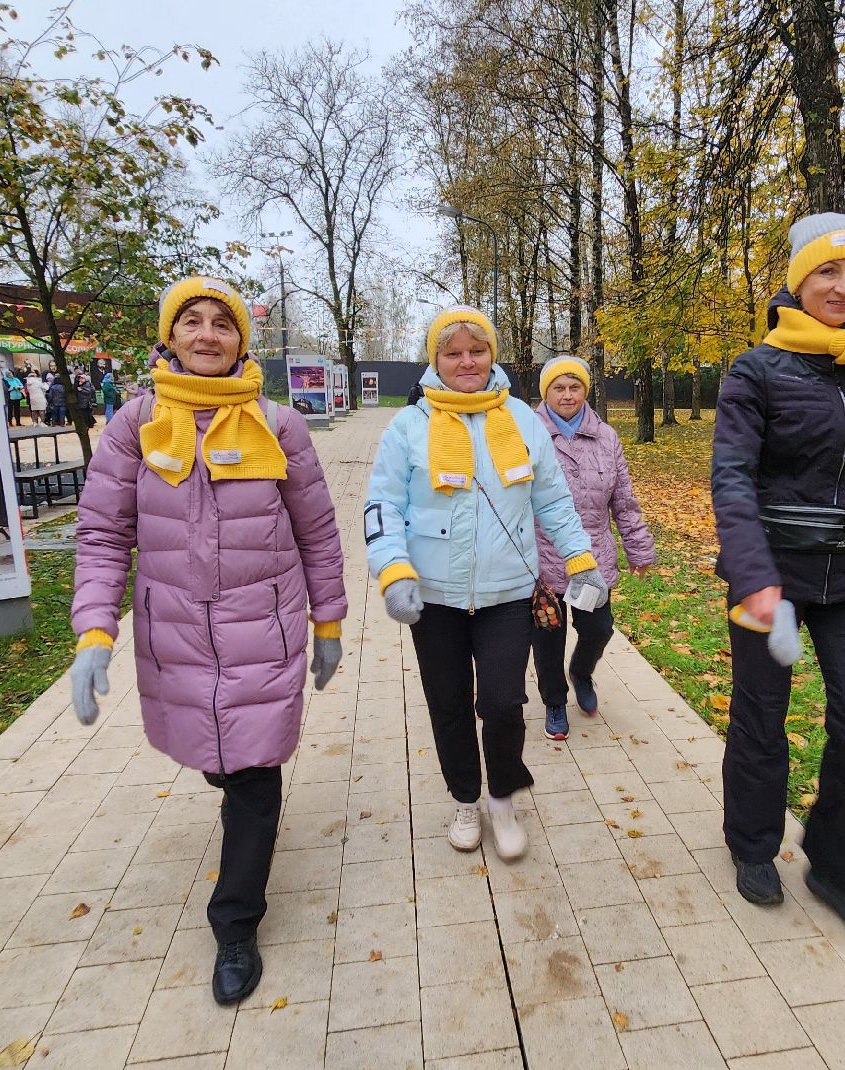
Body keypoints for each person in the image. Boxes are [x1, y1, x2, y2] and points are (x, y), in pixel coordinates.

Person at [69, 276, 346, 1005]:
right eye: (191, 321)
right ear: (170, 336)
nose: (207, 335)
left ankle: (235, 926)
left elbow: (318, 532)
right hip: (175, 633)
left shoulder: (279, 425)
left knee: (253, 771)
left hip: (265, 629)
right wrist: (94, 629)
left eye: (222, 323)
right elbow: (102, 534)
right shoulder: (134, 425)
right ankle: (230, 788)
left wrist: (328, 622)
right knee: (218, 761)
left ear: (240, 341)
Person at [711, 212, 845, 946]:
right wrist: (754, 575)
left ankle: (840, 869)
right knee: (762, 716)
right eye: (827, 271)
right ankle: (753, 844)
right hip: (772, 577)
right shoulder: (755, 372)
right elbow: (732, 478)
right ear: (798, 280)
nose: (843, 287)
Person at [364, 306, 602, 860]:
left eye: (477, 350)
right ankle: (466, 799)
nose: (467, 361)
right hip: (433, 598)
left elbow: (552, 499)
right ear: (435, 359)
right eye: (453, 353)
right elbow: (382, 505)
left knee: (502, 702)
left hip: (508, 594)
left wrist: (579, 558)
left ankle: (502, 797)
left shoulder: (521, 419)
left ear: (493, 355)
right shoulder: (409, 426)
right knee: (447, 703)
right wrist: (392, 570)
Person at [530, 356, 656, 739]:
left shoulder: (606, 438)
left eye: (575, 387)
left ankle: (581, 672)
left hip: (592, 560)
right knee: (548, 637)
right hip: (544, 561)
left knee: (599, 629)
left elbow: (624, 501)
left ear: (585, 390)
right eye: (559, 388)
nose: (567, 395)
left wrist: (638, 548)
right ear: (546, 392)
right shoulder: (527, 434)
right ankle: (554, 700)